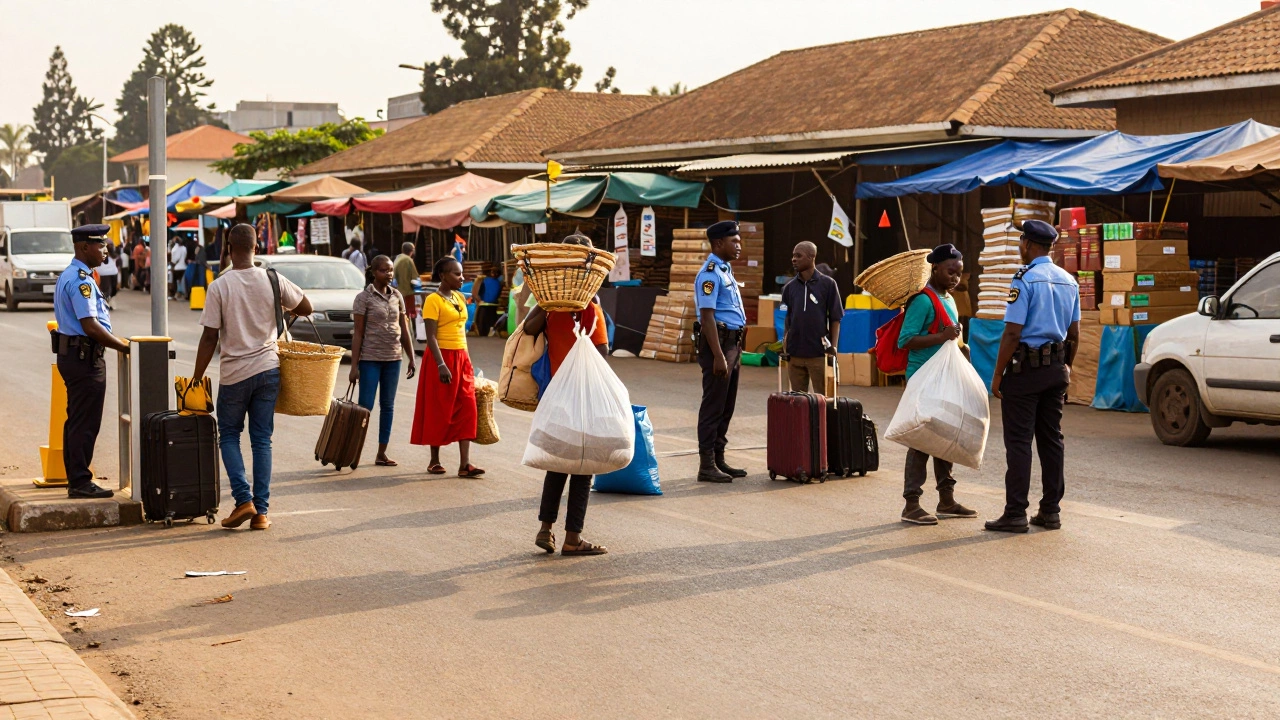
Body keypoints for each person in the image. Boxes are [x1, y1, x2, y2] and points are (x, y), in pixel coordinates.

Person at [191, 224, 313, 531]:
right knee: (262, 440)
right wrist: (281, 313)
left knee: (229, 435)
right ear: (256, 248)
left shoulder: (220, 285)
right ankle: (261, 513)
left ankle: (243, 500)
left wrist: (196, 377)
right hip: (269, 369)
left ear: (228, 249)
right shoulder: (272, 278)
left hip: (234, 375)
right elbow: (307, 306)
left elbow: (209, 338)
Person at [985, 220, 1080, 534]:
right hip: (1056, 370)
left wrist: (997, 375)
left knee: (1019, 443)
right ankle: (1050, 511)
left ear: (1027, 243)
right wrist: (1066, 367)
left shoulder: (1023, 279)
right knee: (1052, 441)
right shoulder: (1069, 281)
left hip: (1025, 372)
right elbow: (1075, 334)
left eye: (1020, 241)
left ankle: (1015, 514)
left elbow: (1012, 332)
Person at [524, 232, 612, 556]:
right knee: (583, 465)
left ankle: (545, 529)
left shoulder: (550, 305)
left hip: (554, 396)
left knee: (557, 462)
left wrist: (545, 302)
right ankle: (573, 538)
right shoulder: (591, 306)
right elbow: (601, 352)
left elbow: (529, 329)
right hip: (582, 395)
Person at [896, 243, 979, 525]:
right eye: (950, 272)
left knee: (945, 435)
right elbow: (905, 339)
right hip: (923, 376)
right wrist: (942, 336)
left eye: (959, 273)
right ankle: (911, 503)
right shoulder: (922, 300)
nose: (956, 278)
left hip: (946, 376)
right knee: (921, 439)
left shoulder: (949, 299)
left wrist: (962, 350)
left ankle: (946, 500)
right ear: (935, 268)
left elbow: (952, 337)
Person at [53, 225, 130, 499]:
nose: (105, 249)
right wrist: (124, 346)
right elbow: (91, 326)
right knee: (85, 423)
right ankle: (80, 482)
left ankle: (76, 478)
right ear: (84, 247)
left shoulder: (70, 275)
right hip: (85, 358)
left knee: (76, 420)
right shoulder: (82, 282)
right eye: (100, 245)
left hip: (74, 356)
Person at [411, 257, 484, 477]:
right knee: (439, 407)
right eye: (456, 274)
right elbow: (430, 337)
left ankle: (465, 464)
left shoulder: (460, 297)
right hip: (440, 359)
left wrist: (468, 363)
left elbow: (462, 332)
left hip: (462, 358)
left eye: (461, 273)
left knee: (468, 407)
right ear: (442, 276)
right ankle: (434, 460)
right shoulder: (433, 300)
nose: (462, 278)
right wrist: (441, 363)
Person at [694, 220, 749, 483]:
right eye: (734, 241)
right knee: (713, 405)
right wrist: (717, 355)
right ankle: (706, 465)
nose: (739, 246)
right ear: (718, 244)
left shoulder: (726, 271)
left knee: (727, 405)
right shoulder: (710, 273)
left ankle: (718, 459)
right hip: (719, 345)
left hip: (732, 344)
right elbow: (707, 318)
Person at [350, 255, 417, 467]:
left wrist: (411, 358)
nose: (389, 274)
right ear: (374, 272)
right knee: (365, 407)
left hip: (393, 359)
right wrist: (354, 366)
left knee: (388, 406)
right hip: (370, 359)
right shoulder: (364, 298)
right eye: (384, 270)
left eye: (390, 270)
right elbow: (358, 333)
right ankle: (352, 451)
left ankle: (381, 453)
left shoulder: (397, 296)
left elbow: (404, 330)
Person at [781, 241, 842, 393]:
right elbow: (789, 318)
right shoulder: (789, 287)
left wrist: (833, 347)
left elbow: (835, 318)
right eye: (793, 256)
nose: (794, 259)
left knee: (823, 401)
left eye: (798, 256)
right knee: (798, 402)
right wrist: (785, 345)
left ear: (811, 257)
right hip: (795, 354)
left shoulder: (828, 284)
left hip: (819, 354)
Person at [471, 265, 504, 337]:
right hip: (492, 305)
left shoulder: (484, 280)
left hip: (484, 305)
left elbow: (475, 293)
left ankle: (484, 332)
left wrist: (479, 300)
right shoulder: (499, 282)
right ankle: (491, 331)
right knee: (491, 319)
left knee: (483, 321)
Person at [393, 242, 419, 317]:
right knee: (409, 315)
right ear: (412, 251)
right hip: (407, 292)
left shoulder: (398, 258)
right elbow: (414, 277)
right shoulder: (408, 260)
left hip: (399, 291)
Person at [96, 242, 120, 310]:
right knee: (109, 289)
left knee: (106, 289)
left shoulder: (110, 255)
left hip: (104, 273)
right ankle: (107, 302)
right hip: (110, 272)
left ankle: (107, 302)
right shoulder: (112, 256)